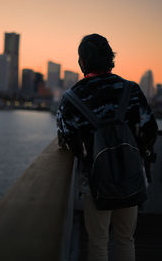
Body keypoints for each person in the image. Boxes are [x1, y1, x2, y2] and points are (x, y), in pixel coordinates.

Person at [56, 34, 158, 261]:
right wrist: (134, 152)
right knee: (125, 239)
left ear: (82, 62)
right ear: (110, 58)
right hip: (130, 177)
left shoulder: (72, 98)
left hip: (96, 182)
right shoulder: (130, 90)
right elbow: (149, 128)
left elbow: (66, 138)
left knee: (98, 241)